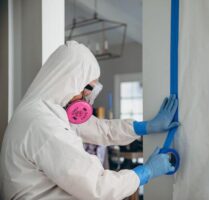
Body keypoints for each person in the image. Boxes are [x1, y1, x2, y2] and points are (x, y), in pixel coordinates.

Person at [0, 41, 179, 200]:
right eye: (87, 89)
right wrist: (145, 172)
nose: (86, 98)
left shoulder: (46, 110)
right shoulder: (42, 124)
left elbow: (100, 129)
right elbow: (97, 186)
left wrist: (144, 127)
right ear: (70, 80)